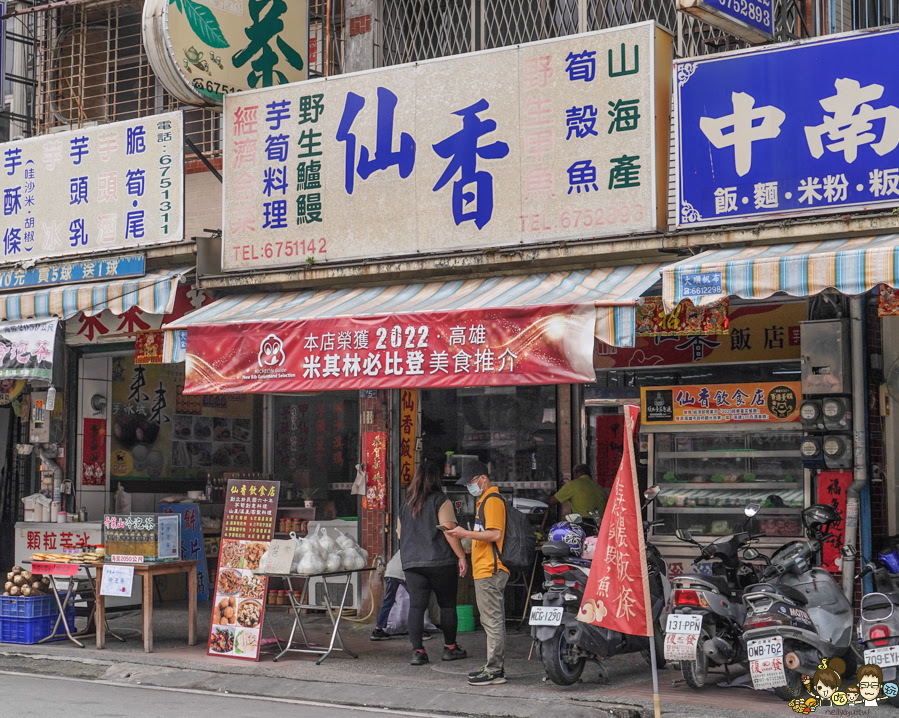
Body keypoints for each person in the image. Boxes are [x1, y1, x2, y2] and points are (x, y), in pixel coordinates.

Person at [445, 461, 509, 686]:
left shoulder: (491, 500)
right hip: (485, 567)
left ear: (482, 478)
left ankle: (495, 670)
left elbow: (495, 534)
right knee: (490, 620)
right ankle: (494, 666)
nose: (469, 487)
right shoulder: (485, 500)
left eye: (471, 482)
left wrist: (466, 533)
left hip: (491, 569)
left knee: (492, 621)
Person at [399, 461, 468, 666]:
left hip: (412, 562)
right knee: (447, 605)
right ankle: (450, 648)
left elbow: (399, 534)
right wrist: (462, 557)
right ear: (436, 479)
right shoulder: (441, 500)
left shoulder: (406, 504)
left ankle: (418, 652)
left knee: (417, 607)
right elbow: (449, 532)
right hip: (439, 561)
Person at [543, 463, 606, 528]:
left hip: (583, 525)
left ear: (576, 473)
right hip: (600, 526)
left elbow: (552, 500)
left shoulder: (572, 485)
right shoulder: (599, 488)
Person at [370, 549, 405, 641]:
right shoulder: (419, 545)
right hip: (402, 573)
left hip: (390, 572)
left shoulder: (405, 544)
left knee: (388, 601)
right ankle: (418, 631)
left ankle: (378, 630)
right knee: (417, 602)